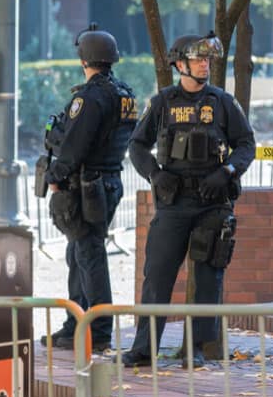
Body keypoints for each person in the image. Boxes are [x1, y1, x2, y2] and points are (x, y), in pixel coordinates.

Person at [120, 32, 255, 368]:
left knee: (208, 280)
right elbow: (136, 146)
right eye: (198, 59)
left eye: (207, 60)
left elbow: (246, 144)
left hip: (213, 202)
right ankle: (143, 348)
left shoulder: (223, 103)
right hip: (174, 201)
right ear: (180, 64)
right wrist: (154, 173)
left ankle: (195, 348)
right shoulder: (163, 103)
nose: (205, 65)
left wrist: (226, 172)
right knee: (158, 275)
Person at [39, 23, 138, 352]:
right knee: (78, 252)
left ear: (84, 58)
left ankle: (96, 330)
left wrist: (55, 174)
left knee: (89, 254)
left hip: (86, 185)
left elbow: (75, 144)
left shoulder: (90, 97)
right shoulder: (124, 94)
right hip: (106, 182)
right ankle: (75, 323)